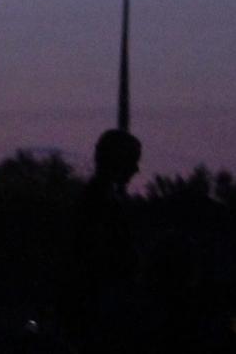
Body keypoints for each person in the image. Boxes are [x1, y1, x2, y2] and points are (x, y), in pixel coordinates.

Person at [68, 129, 142, 354]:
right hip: (101, 314)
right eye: (132, 161)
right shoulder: (101, 204)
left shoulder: (98, 200)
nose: (136, 169)